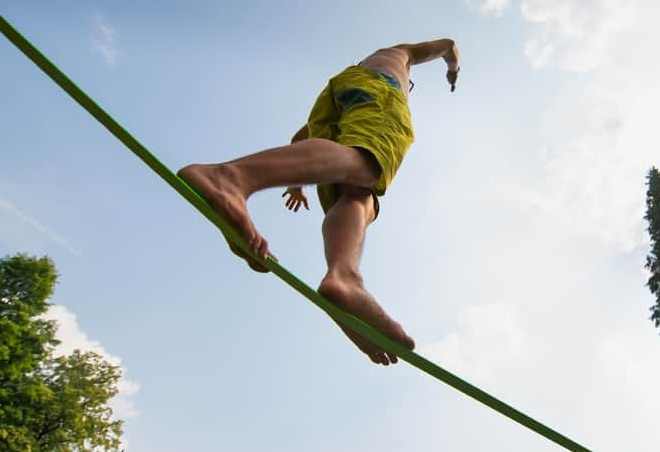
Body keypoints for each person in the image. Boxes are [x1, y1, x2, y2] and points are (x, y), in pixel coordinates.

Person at [179, 40, 460, 366]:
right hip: (379, 90)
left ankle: (343, 278)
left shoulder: (354, 80)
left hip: (335, 101)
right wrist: (453, 70)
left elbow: (304, 137)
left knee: (359, 192)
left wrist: (297, 184)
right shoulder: (400, 56)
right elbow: (449, 45)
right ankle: (230, 177)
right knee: (369, 163)